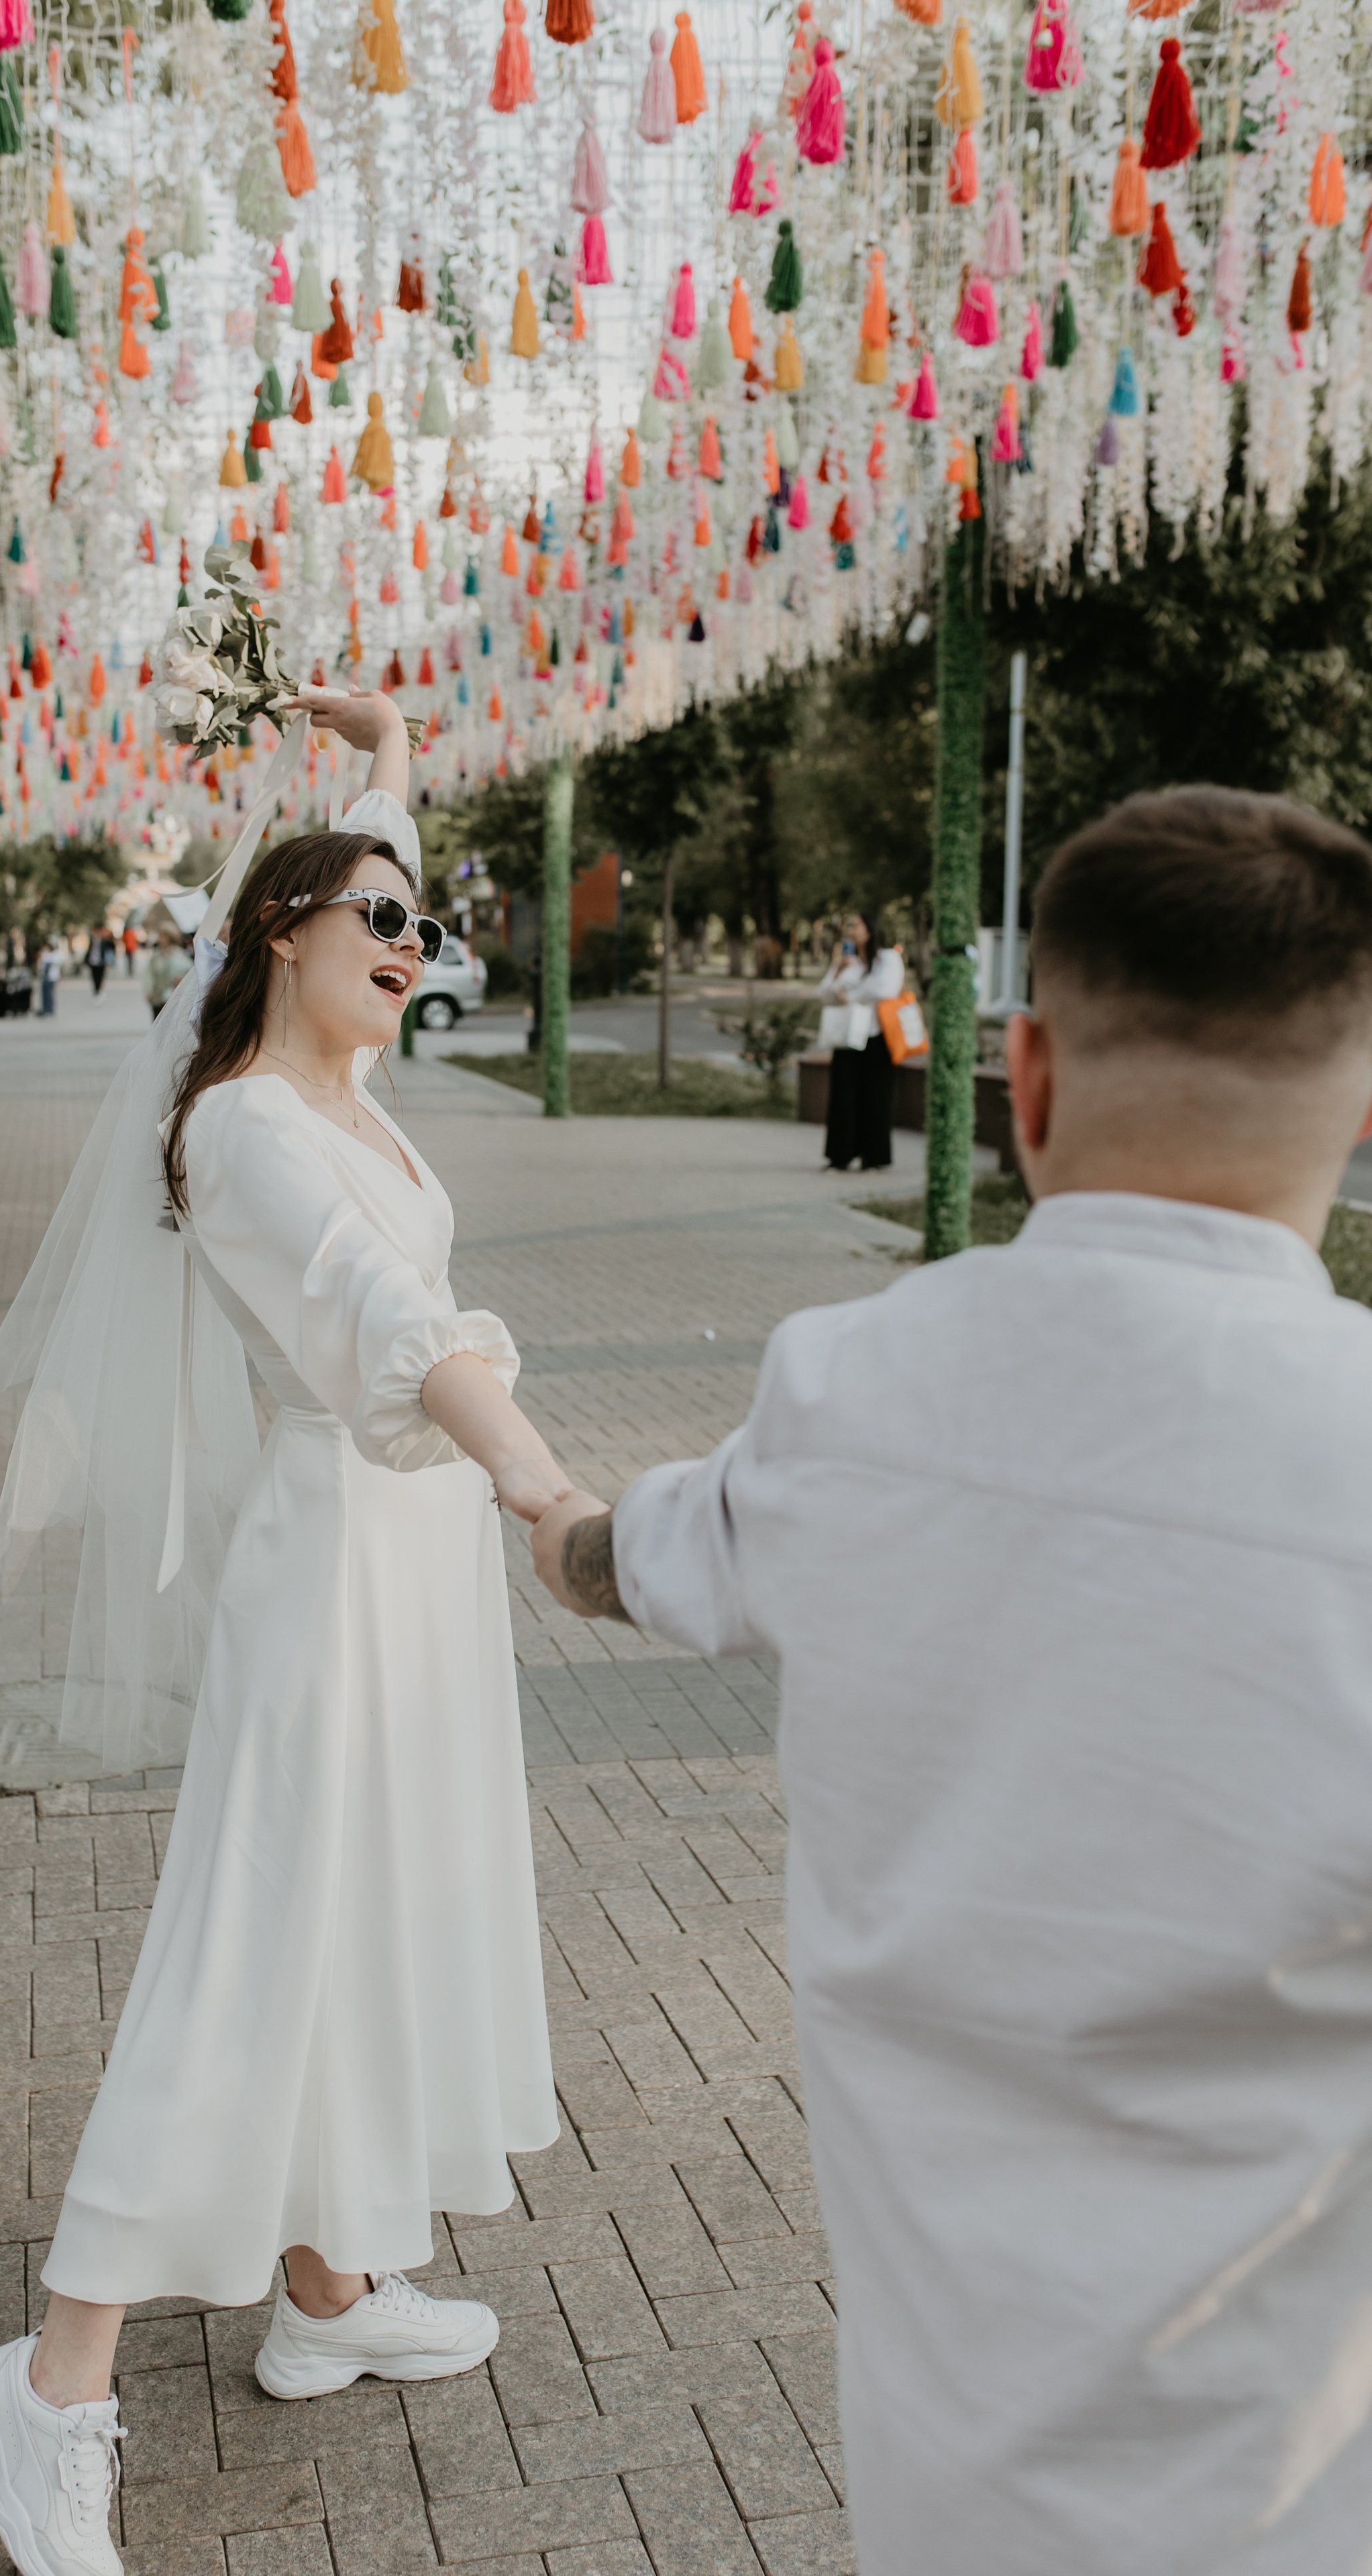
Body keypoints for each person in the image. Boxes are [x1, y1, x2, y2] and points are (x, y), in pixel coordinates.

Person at [532, 785, 1372, 2576]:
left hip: (946, 2478)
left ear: (1030, 1076)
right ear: (1362, 1107)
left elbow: (644, 1559)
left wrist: (553, 1526)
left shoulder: (848, 1394)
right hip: (1298, 2487)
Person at [0, 687, 580, 2576]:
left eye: (422, 925)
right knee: (253, 1945)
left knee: (382, 1916)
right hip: (332, 1559)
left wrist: (382, 743)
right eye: (374, 919)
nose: (410, 943)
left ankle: (326, 2282)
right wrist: (548, 1497)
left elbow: (372, 833)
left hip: (412, 1560)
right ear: (279, 938)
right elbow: (392, 1327)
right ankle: (48, 2389)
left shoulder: (345, 1092)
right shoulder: (243, 1134)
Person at [817, 910, 904, 1172]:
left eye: (856, 925)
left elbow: (885, 989)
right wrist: (837, 972)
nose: (852, 931)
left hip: (877, 1037)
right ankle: (841, 1155)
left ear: (870, 930)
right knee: (843, 1096)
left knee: (876, 1097)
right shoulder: (847, 961)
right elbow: (825, 994)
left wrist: (851, 995)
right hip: (847, 1038)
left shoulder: (887, 958)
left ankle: (874, 1156)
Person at [142, 924, 185, 1021]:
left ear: (170, 937)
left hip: (174, 999)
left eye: (162, 936)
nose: (160, 939)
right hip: (158, 997)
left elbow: (188, 973)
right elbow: (149, 973)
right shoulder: (156, 956)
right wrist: (148, 990)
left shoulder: (180, 955)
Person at [86, 924, 115, 1000]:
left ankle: (99, 991)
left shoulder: (104, 941)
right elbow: (89, 951)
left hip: (101, 962)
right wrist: (86, 960)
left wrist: (109, 962)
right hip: (93, 962)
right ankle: (96, 991)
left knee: (100, 977)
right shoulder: (92, 940)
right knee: (94, 977)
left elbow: (110, 950)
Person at [38, 937, 63, 1018]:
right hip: (44, 977)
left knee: (50, 994)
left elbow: (57, 964)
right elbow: (41, 965)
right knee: (44, 994)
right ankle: (45, 1009)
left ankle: (50, 1010)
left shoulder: (56, 954)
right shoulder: (45, 954)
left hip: (52, 977)